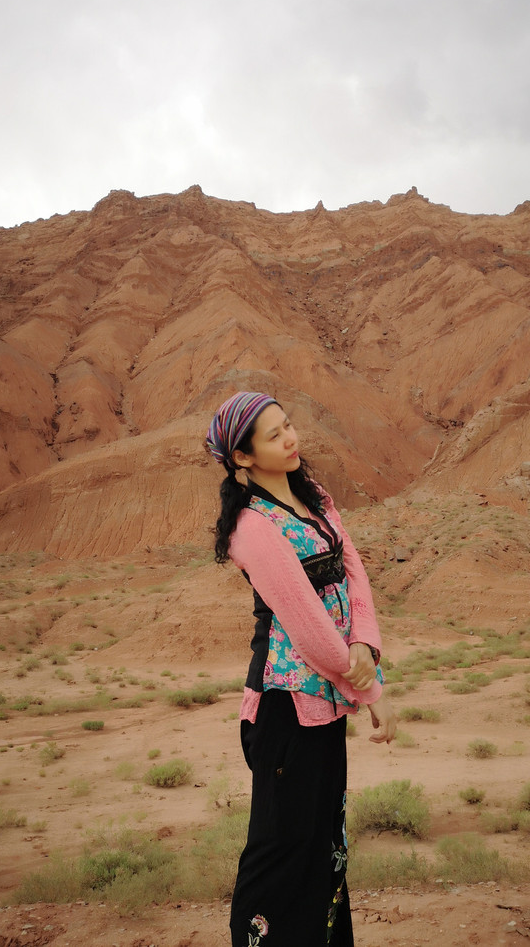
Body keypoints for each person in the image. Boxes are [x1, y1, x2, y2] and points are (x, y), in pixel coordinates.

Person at [205, 390, 396, 947]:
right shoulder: (252, 527)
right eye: (274, 435)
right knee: (280, 851)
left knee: (324, 846)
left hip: (326, 702)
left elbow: (354, 572)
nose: (290, 439)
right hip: (286, 709)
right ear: (243, 457)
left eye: (288, 425)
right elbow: (306, 624)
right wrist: (368, 689)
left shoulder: (314, 497)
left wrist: (366, 645)